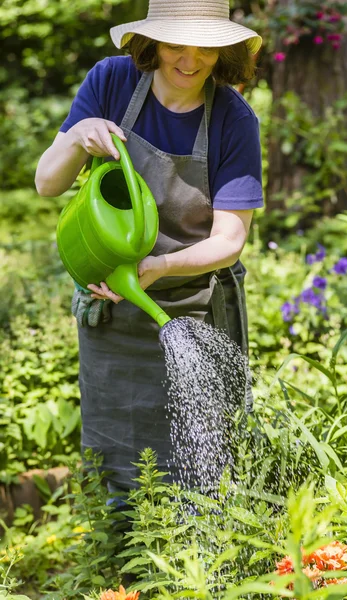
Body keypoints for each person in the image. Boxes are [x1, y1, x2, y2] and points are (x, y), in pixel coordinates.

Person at [35, 0, 264, 498]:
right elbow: (47, 184)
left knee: (203, 461)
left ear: (223, 50)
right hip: (111, 312)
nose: (189, 60)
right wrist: (77, 136)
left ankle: (198, 567)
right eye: (175, 44)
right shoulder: (111, 82)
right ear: (150, 41)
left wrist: (161, 265)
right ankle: (117, 564)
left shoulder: (233, 118)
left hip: (193, 310)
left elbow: (230, 240)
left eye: (204, 48)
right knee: (115, 454)